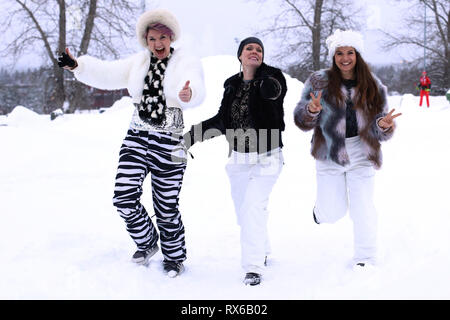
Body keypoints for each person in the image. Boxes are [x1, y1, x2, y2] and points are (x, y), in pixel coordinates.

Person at [58, 9, 205, 277]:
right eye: (152, 39)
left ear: (171, 37)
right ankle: (147, 241)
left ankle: (174, 257)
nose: (157, 43)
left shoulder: (185, 60)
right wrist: (77, 66)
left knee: (166, 206)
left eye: (162, 37)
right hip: (137, 139)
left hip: (170, 143)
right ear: (145, 40)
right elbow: (106, 73)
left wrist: (189, 92)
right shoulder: (138, 62)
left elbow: (195, 84)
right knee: (124, 197)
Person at [293, 29, 401, 269]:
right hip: (329, 153)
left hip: (362, 152)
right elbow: (301, 120)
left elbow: (381, 127)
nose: (344, 58)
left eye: (349, 52)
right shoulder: (318, 81)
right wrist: (311, 110)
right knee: (332, 212)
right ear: (333, 56)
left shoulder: (374, 85)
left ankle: (366, 257)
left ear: (357, 55)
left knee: (363, 207)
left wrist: (383, 126)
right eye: (339, 53)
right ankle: (321, 213)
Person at [184, 37, 287, 286]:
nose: (254, 51)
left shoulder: (273, 77)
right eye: (249, 48)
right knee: (246, 213)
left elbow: (275, 93)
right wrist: (191, 136)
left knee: (252, 206)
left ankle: (253, 267)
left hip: (268, 155)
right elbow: (222, 120)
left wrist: (263, 83)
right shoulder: (231, 85)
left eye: (259, 49)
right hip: (239, 157)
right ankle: (261, 248)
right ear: (240, 55)